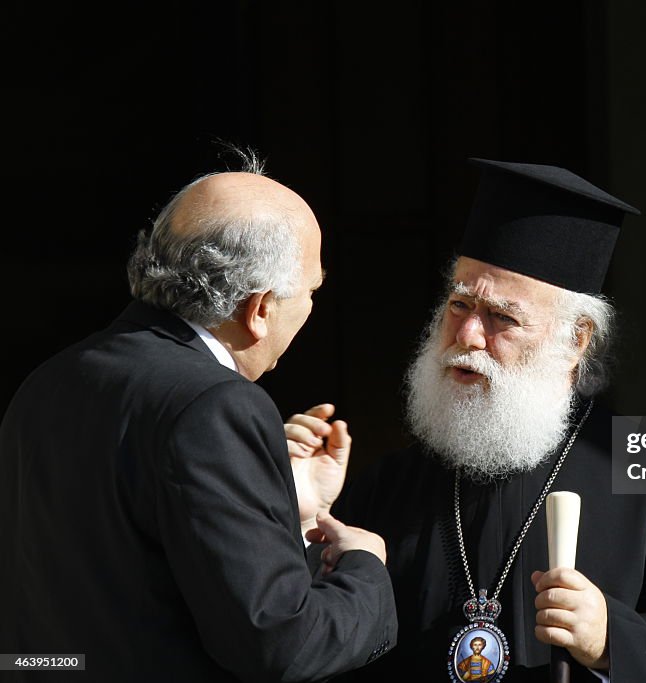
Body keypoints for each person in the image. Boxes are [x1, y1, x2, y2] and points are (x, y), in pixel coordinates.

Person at [287, 158, 646, 681]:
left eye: (503, 318)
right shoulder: (387, 488)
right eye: (460, 304)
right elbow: (303, 652)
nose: (467, 337)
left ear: (575, 341)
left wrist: (612, 641)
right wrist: (306, 524)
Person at [0, 156, 397, 681]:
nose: (310, 307)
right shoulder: (216, 403)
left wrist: (288, 516)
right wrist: (364, 568)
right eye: (311, 291)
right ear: (259, 309)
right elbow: (280, 644)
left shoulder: (47, 381)